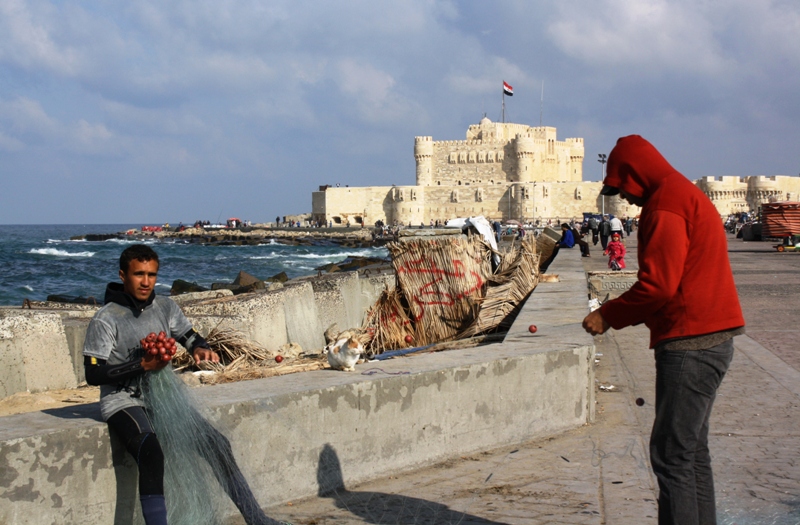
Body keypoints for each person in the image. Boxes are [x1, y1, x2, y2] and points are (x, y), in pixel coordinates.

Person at [581, 135, 745, 525]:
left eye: (623, 189)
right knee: (690, 453)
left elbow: (658, 285)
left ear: (635, 175)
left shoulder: (665, 205)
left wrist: (608, 314)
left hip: (691, 342)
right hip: (712, 337)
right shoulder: (683, 193)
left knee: (671, 456)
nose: (627, 200)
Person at [83, 245, 283, 525]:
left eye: (152, 274)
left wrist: (200, 349)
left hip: (163, 398)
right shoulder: (107, 318)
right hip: (123, 401)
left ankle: (257, 518)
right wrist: (142, 366)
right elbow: (93, 374)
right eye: (138, 274)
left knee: (217, 444)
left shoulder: (165, 306)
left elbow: (189, 336)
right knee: (151, 453)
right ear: (123, 275)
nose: (146, 282)